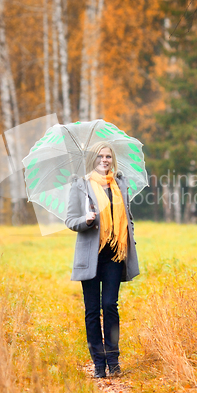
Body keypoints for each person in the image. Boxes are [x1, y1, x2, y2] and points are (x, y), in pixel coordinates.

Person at [65, 141, 140, 378]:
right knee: (91, 310)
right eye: (100, 156)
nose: (104, 160)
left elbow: (128, 217)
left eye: (108, 156)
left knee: (110, 306)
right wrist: (85, 220)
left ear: (112, 159)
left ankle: (113, 360)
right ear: (93, 160)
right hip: (90, 255)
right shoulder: (81, 185)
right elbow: (70, 220)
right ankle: (98, 364)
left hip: (114, 254)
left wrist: (129, 238)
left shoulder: (120, 184)